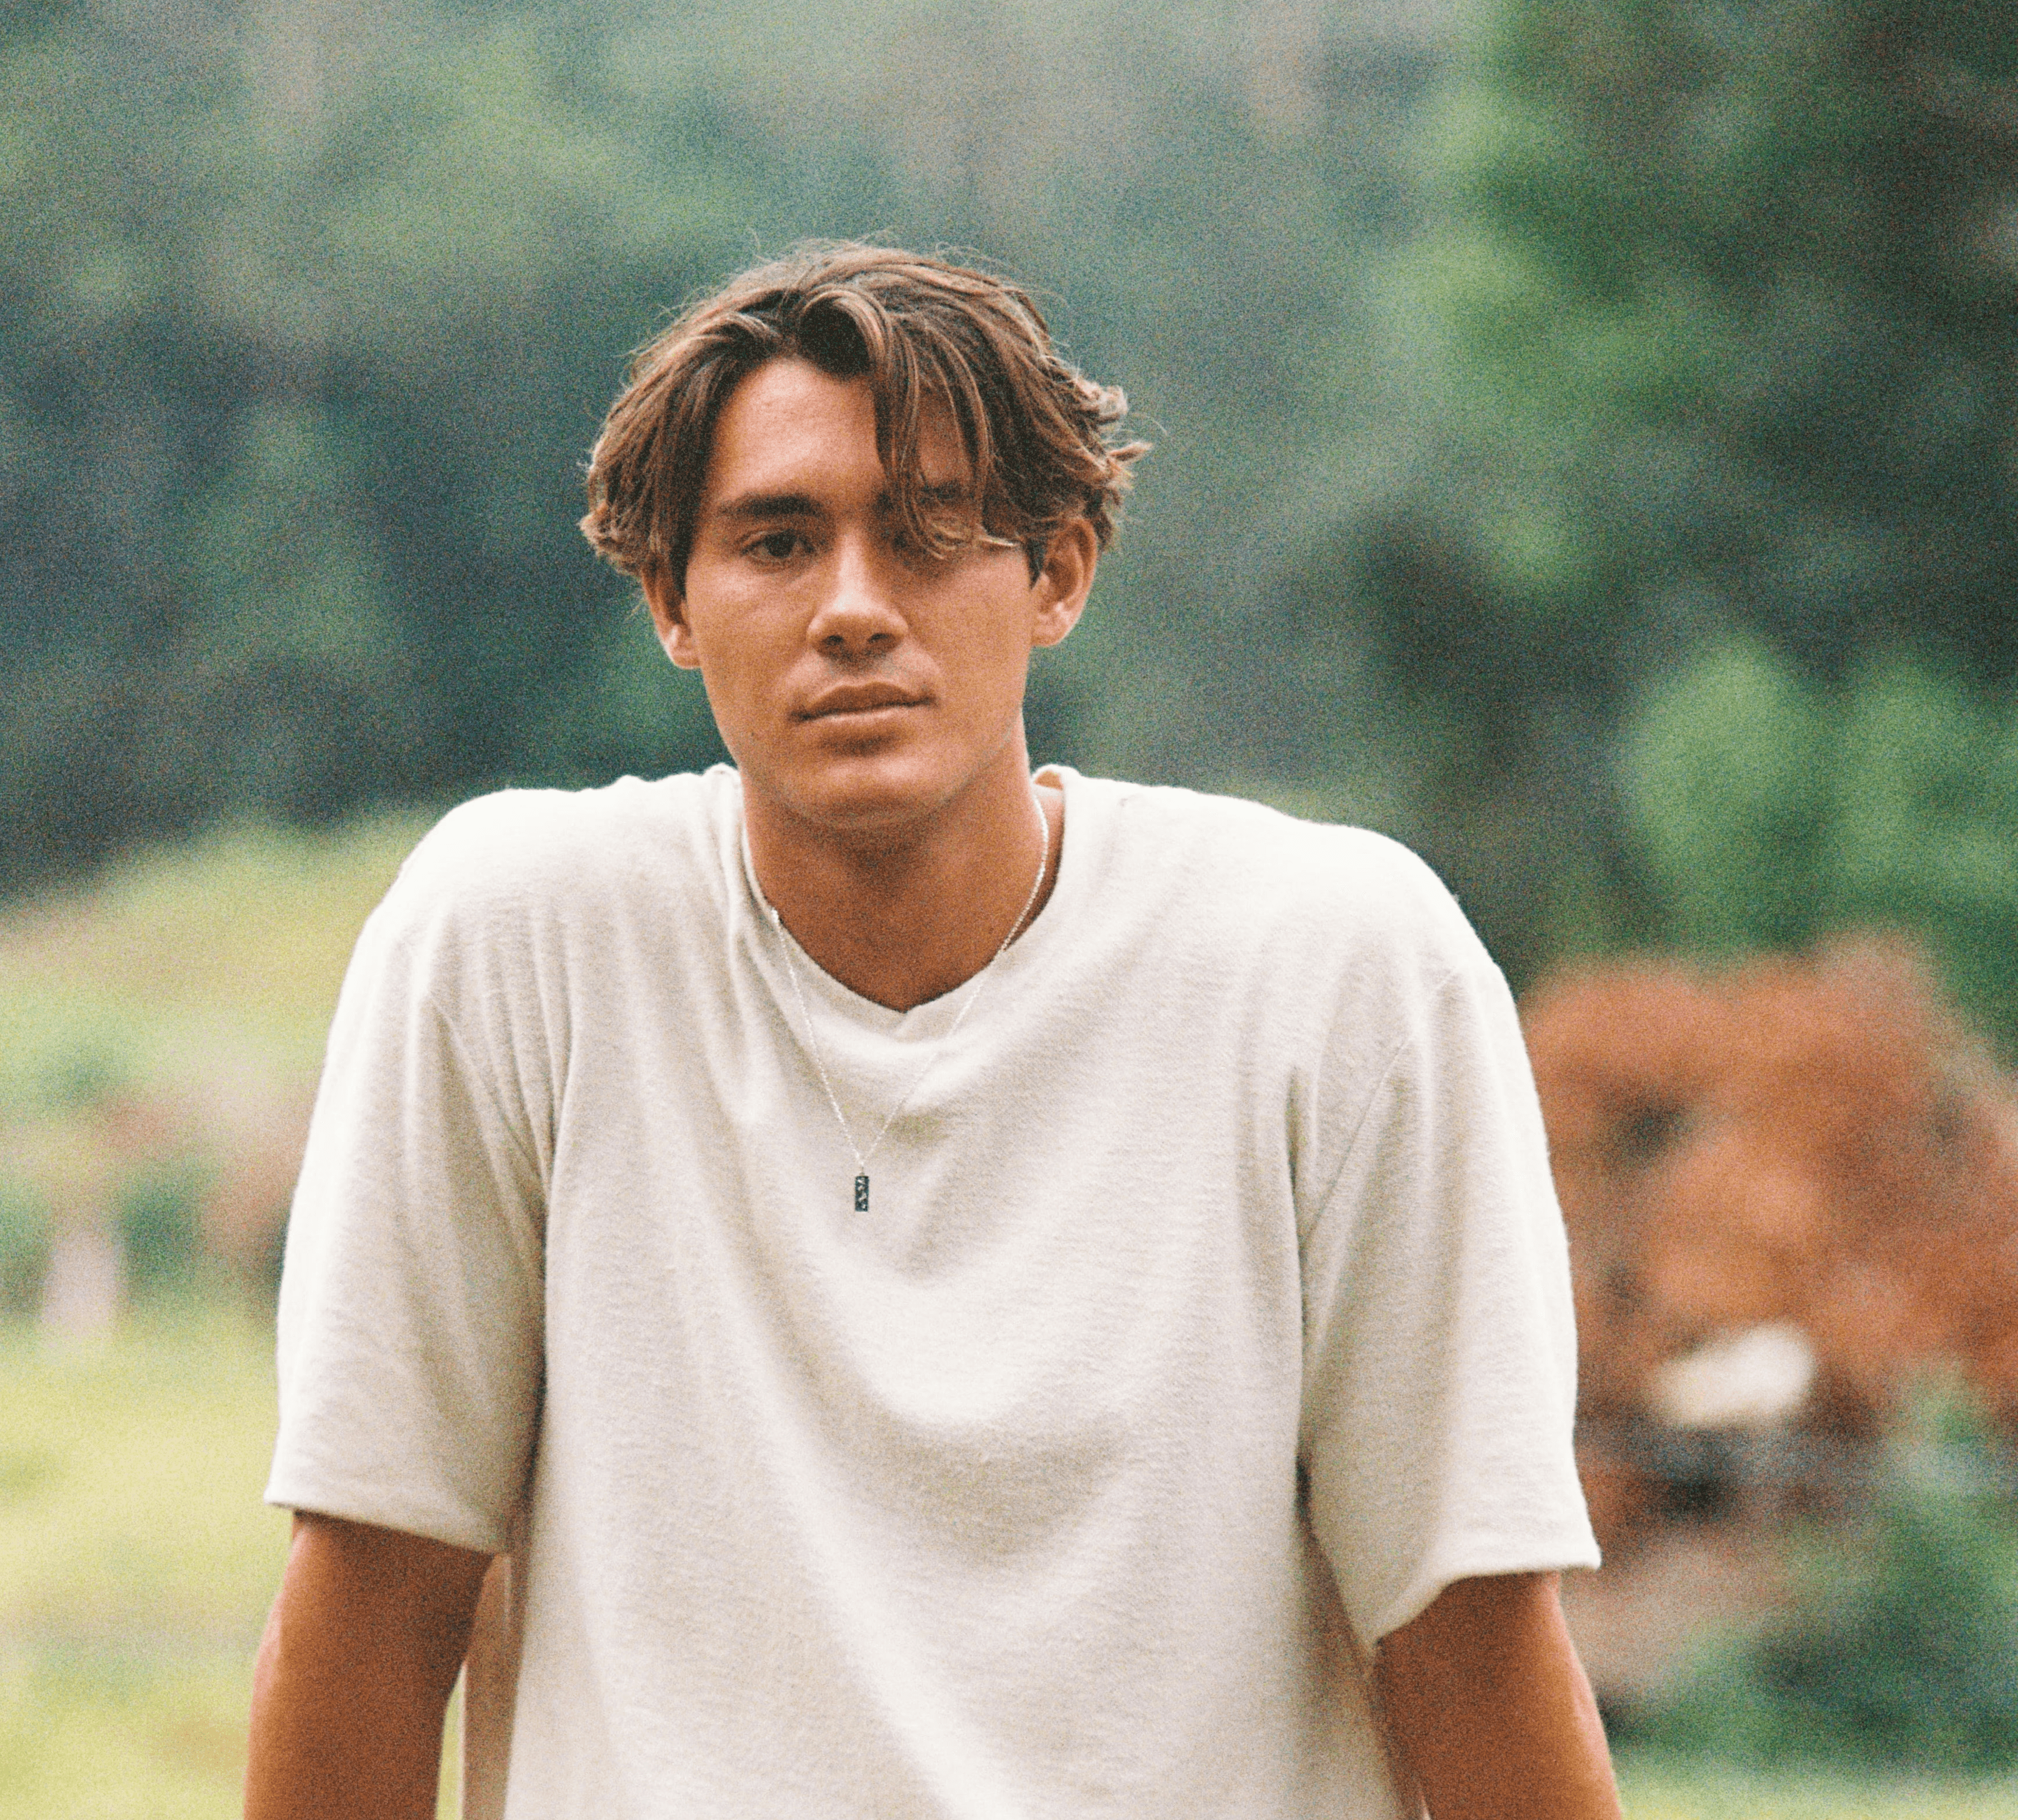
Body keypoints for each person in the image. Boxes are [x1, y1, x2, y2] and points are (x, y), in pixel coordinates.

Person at [244, 242, 1622, 1820]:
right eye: (776, 540)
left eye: (929, 535)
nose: (852, 608)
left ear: (1059, 570)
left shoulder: (1337, 973)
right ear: (669, 600)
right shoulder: (513, 947)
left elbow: (1465, 1636)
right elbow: (373, 1594)